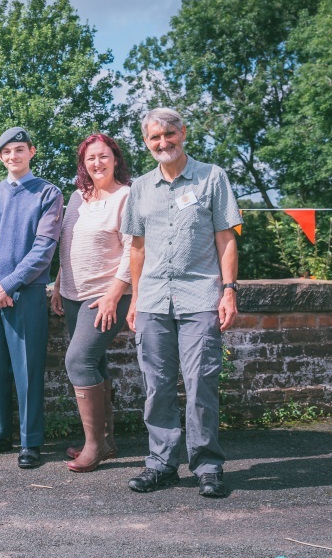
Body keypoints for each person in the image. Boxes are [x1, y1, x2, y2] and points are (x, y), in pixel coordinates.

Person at [121, 108, 242, 498]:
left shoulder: (213, 177)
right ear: (146, 142)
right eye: (154, 137)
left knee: (200, 384)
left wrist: (229, 290)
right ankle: (161, 465)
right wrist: (135, 298)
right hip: (154, 298)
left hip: (200, 297)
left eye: (169, 134)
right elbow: (136, 248)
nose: (163, 142)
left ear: (183, 132)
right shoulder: (139, 187)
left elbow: (226, 239)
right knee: (156, 386)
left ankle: (207, 466)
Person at [0, 127, 64, 469]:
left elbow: (44, 249)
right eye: (7, 152)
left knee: (28, 368)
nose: (14, 156)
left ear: (31, 152)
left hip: (28, 293)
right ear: (0, 157)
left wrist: (8, 285)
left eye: (20, 150)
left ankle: (30, 441)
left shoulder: (48, 193)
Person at [51, 133, 132, 473]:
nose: (97, 163)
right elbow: (67, 245)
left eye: (103, 156)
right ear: (83, 165)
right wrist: (57, 284)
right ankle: (108, 441)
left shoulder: (126, 196)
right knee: (95, 363)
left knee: (79, 360)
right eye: (90, 159)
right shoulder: (78, 197)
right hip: (72, 293)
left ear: (115, 159)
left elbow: (133, 248)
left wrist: (115, 292)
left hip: (105, 296)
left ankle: (94, 446)